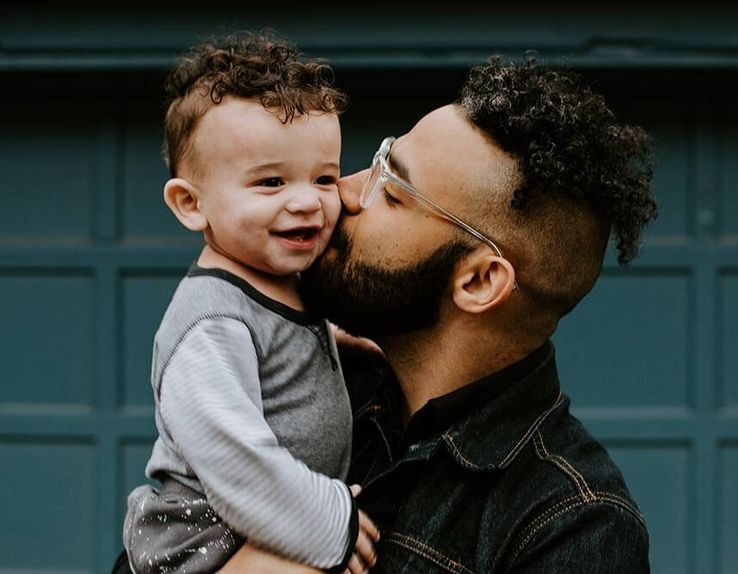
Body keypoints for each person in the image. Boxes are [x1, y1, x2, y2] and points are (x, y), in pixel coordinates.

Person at [220, 53, 658, 572]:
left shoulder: (570, 522)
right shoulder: (296, 382)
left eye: (392, 189)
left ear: (478, 281)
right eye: (379, 159)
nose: (341, 191)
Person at [119, 30, 378, 574]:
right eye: (271, 182)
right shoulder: (211, 323)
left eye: (324, 177)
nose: (307, 199)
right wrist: (333, 521)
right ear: (191, 204)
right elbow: (237, 461)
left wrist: (332, 341)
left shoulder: (276, 280)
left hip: (257, 521)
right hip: (204, 536)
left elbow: (274, 352)